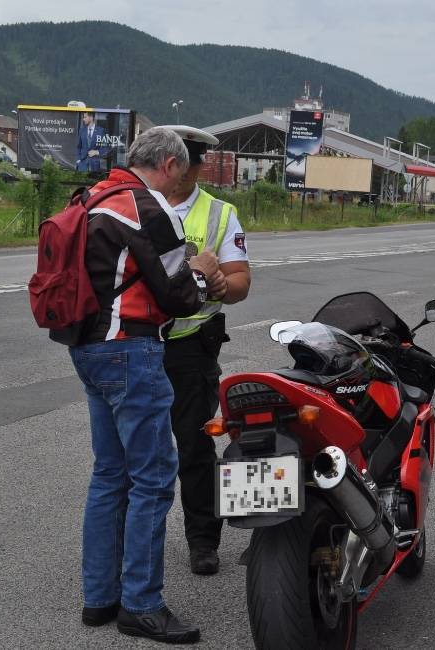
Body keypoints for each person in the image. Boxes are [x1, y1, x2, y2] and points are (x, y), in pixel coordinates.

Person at [70, 127, 220, 645]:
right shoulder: (147, 208)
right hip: (132, 349)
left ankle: (99, 598)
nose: (183, 176)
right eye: (182, 167)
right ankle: (141, 604)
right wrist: (201, 270)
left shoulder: (91, 197)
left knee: (110, 474)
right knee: (154, 480)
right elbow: (181, 298)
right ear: (168, 164)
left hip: (87, 348)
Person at [158, 124, 252, 575]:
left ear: (194, 166)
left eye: (181, 163)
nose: (172, 171)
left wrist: (219, 283)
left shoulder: (219, 214)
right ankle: (133, 537)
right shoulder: (139, 204)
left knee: (195, 448)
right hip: (139, 343)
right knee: (132, 451)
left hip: (191, 347)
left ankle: (202, 540)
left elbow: (240, 284)